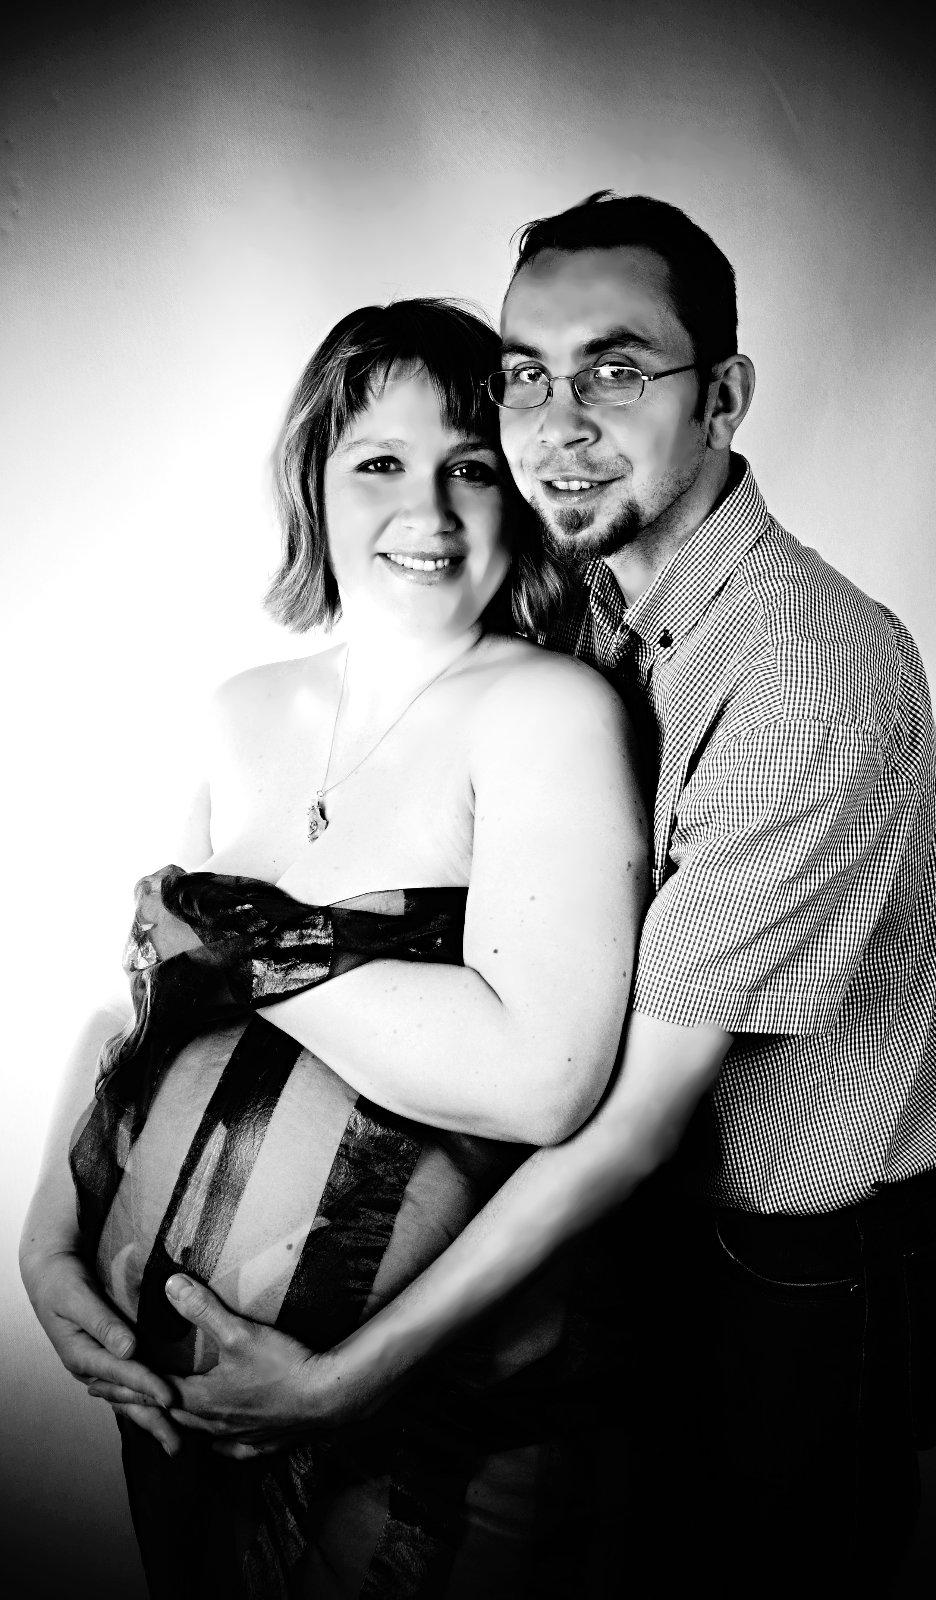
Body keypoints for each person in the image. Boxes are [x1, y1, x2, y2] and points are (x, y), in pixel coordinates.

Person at [31, 196, 936, 1594]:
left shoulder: (802, 675)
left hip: (788, 1267)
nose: (560, 421)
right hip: (613, 1248)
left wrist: (340, 1380)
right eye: (530, 376)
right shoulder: (594, 602)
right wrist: (52, 1246)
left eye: (618, 369)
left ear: (723, 396)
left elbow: (608, 1115)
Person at [19, 297, 648, 1597]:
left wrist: (249, 945)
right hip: (183, 1415)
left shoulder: (544, 710)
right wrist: (45, 1241)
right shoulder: (240, 710)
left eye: (470, 468)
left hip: (437, 1424)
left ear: (520, 494)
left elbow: (542, 1081)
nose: (429, 511)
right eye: (380, 463)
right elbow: (139, 1008)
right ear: (312, 479)